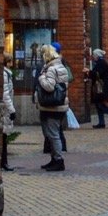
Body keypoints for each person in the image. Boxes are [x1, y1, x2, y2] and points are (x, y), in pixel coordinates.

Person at [35, 44, 72, 172]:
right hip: (55, 106)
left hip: (53, 106)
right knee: (50, 134)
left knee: (53, 134)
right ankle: (54, 158)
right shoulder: (60, 66)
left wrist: (41, 78)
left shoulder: (51, 69)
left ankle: (58, 160)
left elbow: (49, 86)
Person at [0, 55, 17, 171]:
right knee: (3, 136)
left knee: (4, 136)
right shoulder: (4, 74)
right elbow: (5, 95)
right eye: (10, 62)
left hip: (6, 109)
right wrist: (12, 110)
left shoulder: (6, 73)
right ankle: (3, 162)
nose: (11, 64)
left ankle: (4, 162)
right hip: (5, 109)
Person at [88, 49, 108, 128]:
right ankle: (101, 122)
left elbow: (97, 74)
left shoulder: (102, 63)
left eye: (94, 55)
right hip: (101, 88)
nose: (93, 56)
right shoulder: (99, 63)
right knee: (98, 104)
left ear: (97, 55)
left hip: (102, 88)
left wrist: (88, 72)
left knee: (100, 105)